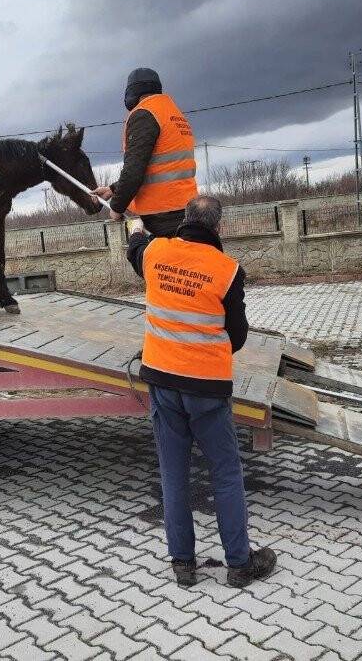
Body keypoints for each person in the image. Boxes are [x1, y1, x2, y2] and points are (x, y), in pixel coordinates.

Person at [126, 195, 276, 588]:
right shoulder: (227, 271)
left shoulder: (156, 253)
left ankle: (184, 566)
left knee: (173, 475)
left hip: (162, 381)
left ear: (184, 220)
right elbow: (238, 337)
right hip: (207, 388)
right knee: (225, 473)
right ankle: (240, 565)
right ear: (218, 228)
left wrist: (135, 226)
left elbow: (136, 248)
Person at [94, 68, 199, 237]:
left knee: (153, 260)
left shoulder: (144, 114)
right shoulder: (172, 113)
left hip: (162, 214)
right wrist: (112, 189)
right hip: (186, 208)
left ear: (133, 92)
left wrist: (117, 207)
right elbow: (157, 168)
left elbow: (134, 170)